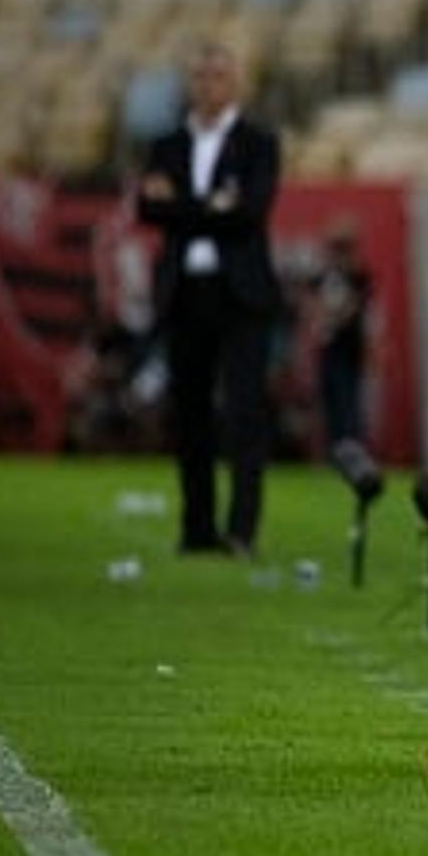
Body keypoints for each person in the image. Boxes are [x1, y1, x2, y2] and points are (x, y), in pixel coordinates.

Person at [138, 42, 281, 557]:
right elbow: (147, 210)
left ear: (236, 83)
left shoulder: (258, 143)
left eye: (218, 75)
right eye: (199, 76)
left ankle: (241, 529)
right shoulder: (166, 145)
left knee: (245, 414)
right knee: (190, 413)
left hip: (240, 294)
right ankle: (196, 528)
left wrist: (181, 206)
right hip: (184, 293)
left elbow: (249, 214)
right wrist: (212, 205)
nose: (208, 86)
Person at [310, 221, 380, 499]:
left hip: (348, 349)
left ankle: (354, 458)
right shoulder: (325, 276)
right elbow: (311, 302)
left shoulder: (358, 276)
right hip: (328, 348)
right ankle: (334, 454)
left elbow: (355, 309)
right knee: (330, 402)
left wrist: (331, 318)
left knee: (348, 403)